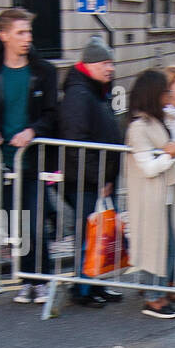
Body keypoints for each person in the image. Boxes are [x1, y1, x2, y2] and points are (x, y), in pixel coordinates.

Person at [0, 8, 58, 305]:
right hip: (1, 160)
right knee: (16, 224)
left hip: (32, 159)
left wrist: (32, 132)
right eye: (20, 32)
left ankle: (42, 279)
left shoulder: (44, 71)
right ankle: (26, 280)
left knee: (34, 220)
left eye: (29, 32)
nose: (27, 38)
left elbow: (50, 114)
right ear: (4, 35)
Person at [59, 37, 122, 307]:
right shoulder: (79, 94)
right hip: (85, 180)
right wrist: (100, 180)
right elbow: (76, 144)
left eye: (111, 63)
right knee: (89, 236)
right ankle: (82, 290)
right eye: (106, 64)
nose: (110, 69)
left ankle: (97, 284)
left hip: (98, 178)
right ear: (90, 64)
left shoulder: (96, 90)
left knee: (102, 234)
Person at [125, 68, 175, 319]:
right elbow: (148, 168)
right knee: (155, 246)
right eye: (165, 90)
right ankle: (152, 298)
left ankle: (158, 294)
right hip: (151, 195)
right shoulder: (138, 128)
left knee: (167, 246)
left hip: (164, 194)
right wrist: (170, 154)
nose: (169, 94)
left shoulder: (155, 121)